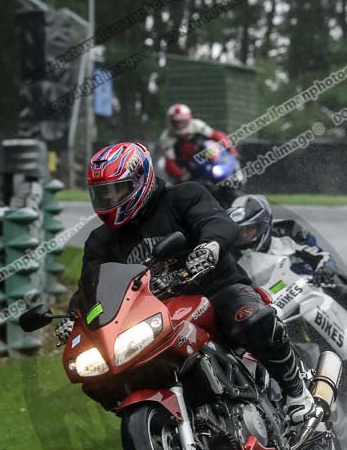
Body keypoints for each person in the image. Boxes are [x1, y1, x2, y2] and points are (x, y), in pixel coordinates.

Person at [56, 142, 317, 424]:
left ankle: (296, 391)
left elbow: (218, 222)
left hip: (216, 290)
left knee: (250, 318)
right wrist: (74, 318)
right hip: (155, 314)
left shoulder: (183, 196)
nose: (109, 198)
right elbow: (91, 287)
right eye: (102, 192)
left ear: (140, 179)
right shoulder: (100, 241)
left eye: (117, 188)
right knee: (97, 373)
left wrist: (210, 246)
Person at [226, 195, 347, 366]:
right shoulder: (229, 250)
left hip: (305, 282)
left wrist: (324, 269)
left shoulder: (288, 230)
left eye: (251, 229)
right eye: (241, 231)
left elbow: (320, 254)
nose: (245, 236)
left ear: (264, 225)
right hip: (268, 300)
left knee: (340, 286)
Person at [159, 103, 237, 183]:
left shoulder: (197, 125)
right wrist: (181, 175)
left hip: (204, 159)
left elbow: (216, 135)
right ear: (170, 122)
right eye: (177, 123)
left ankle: (233, 170)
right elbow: (170, 163)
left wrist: (230, 148)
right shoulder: (166, 138)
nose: (180, 126)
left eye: (183, 122)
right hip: (185, 166)